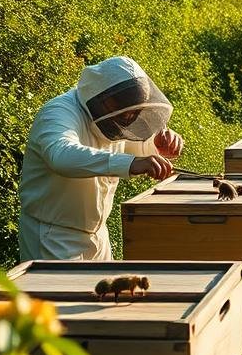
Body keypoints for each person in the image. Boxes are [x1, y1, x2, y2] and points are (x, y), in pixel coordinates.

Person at [18, 56, 184, 261]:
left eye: (135, 112)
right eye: (125, 113)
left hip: (98, 236)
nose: (129, 120)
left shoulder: (113, 116)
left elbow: (131, 143)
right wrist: (130, 164)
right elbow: (61, 155)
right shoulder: (58, 112)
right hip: (53, 237)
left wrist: (155, 145)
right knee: (62, 294)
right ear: (102, 98)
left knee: (106, 293)